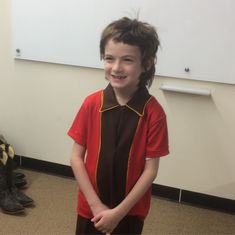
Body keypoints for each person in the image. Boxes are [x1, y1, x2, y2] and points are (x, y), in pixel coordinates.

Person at [68, 17, 169, 235]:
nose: (116, 67)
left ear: (147, 63)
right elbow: (76, 157)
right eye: (109, 58)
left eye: (127, 60)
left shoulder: (154, 113)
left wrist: (118, 213)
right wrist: (96, 205)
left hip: (129, 212)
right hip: (90, 209)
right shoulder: (91, 104)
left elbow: (150, 171)